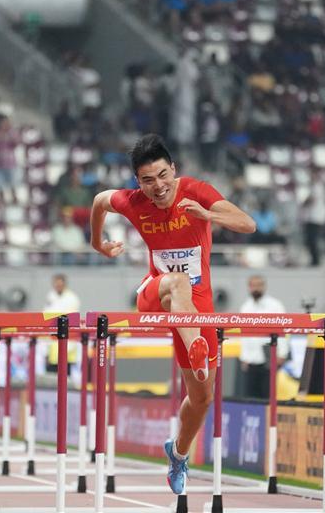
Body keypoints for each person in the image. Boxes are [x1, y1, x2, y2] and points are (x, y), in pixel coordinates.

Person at [89, 134, 255, 494]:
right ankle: (197, 351)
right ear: (138, 182)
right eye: (148, 181)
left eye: (163, 176)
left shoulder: (196, 190)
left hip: (195, 312)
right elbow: (99, 201)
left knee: (202, 398)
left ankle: (178, 453)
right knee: (177, 281)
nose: (158, 186)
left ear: (173, 169)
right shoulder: (132, 201)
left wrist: (207, 214)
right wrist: (97, 244)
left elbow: (247, 224)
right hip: (156, 293)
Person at [237, 275, 287, 399]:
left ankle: (269, 418)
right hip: (251, 359)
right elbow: (244, 336)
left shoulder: (275, 306)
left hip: (269, 357)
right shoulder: (245, 307)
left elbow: (283, 330)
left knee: (268, 394)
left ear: (264, 286)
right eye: (253, 285)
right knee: (251, 396)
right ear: (249, 287)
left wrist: (282, 354)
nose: (256, 288)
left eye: (259, 285)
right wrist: (244, 357)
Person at [44, 274, 82, 378]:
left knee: (65, 373)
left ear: (64, 284)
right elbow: (46, 315)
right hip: (52, 339)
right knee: (51, 373)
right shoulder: (50, 296)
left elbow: (72, 319)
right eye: (56, 283)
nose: (58, 286)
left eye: (60, 283)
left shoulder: (72, 298)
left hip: (67, 338)